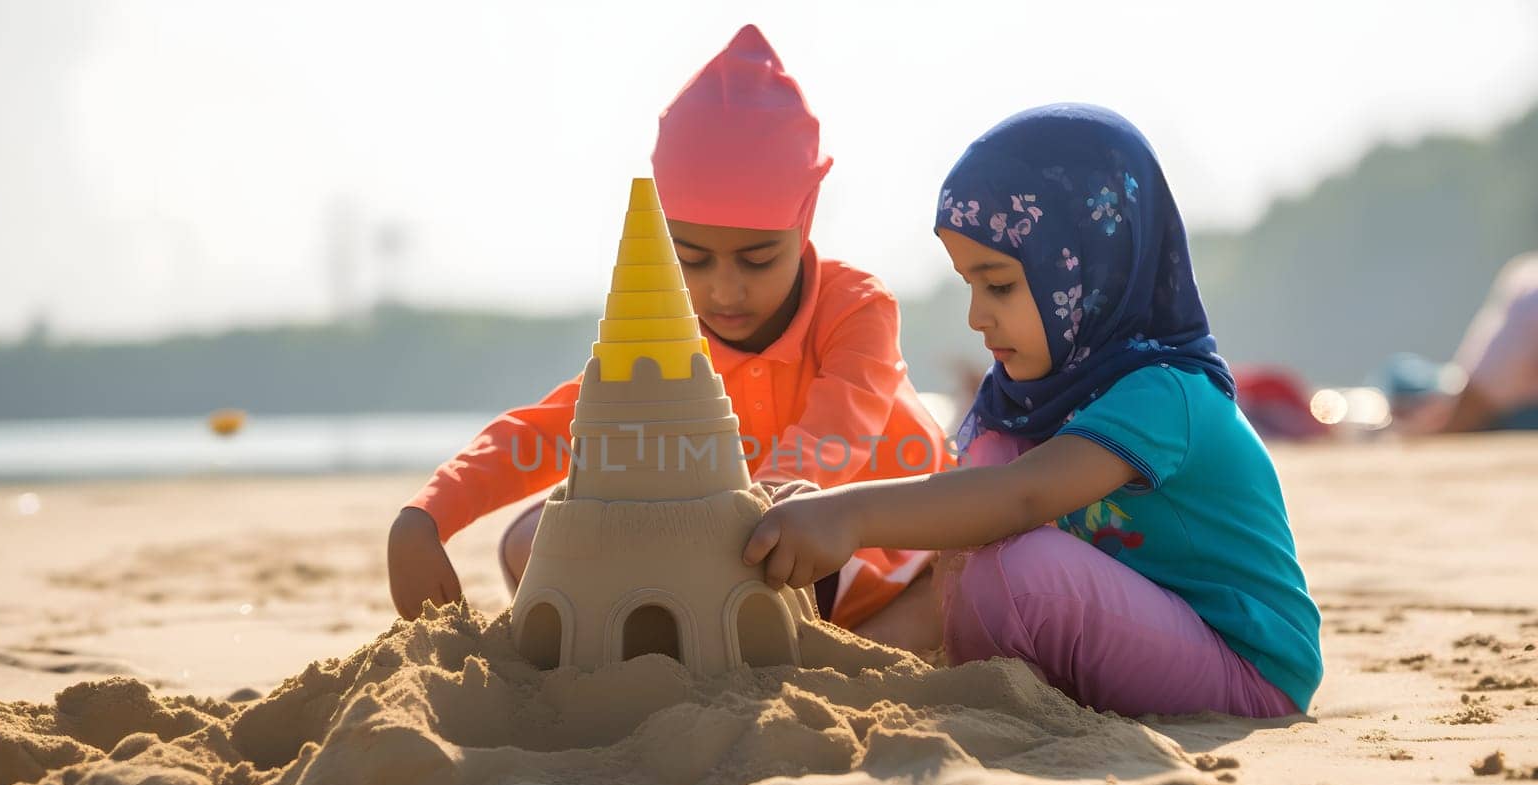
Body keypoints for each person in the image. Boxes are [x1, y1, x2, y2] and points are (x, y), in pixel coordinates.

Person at [743, 105, 1321, 717]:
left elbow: (1022, 497)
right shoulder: (1021, 403)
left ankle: (1010, 692)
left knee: (1020, 569)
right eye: (968, 283)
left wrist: (850, 515)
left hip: (1245, 671)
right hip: (1143, 638)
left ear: (1090, 272)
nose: (976, 316)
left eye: (999, 285)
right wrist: (843, 658)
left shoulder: (1163, 391)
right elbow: (955, 550)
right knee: (971, 547)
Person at [388, 25, 949, 649]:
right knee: (532, 541)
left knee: (938, 608)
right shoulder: (666, 334)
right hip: (732, 549)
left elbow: (838, 430)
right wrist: (427, 514)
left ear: (805, 217)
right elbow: (555, 426)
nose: (724, 291)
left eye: (758, 259)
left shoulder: (856, 307)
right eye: (693, 258)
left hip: (870, 550)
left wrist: (756, 507)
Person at [1388, 253, 1538, 434]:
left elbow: (1479, 395)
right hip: (1469, 392)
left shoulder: (1531, 288)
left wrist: (1437, 434)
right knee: (1403, 378)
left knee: (1402, 379)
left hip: (1504, 413)